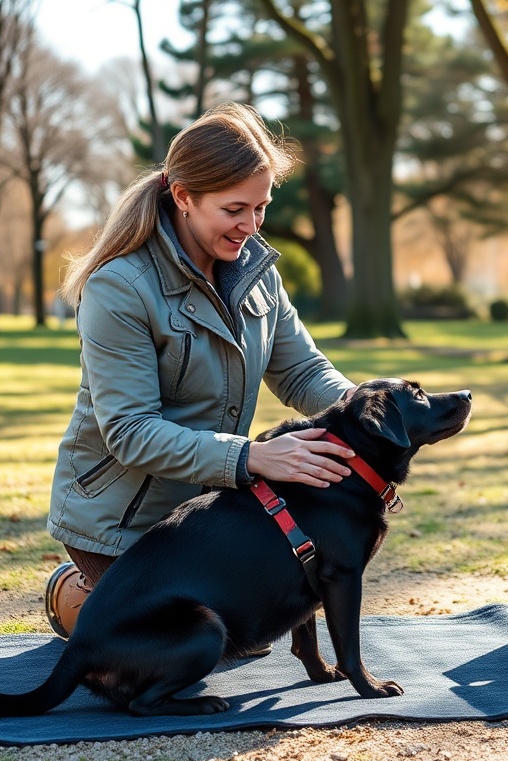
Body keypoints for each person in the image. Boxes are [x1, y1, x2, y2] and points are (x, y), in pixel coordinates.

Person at [44, 102, 357, 640]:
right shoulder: (118, 288)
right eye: (235, 209)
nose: (251, 226)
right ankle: (75, 595)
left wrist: (367, 417)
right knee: (203, 645)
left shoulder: (258, 274)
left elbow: (303, 372)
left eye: (261, 207)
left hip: (207, 518)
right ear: (183, 196)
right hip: (120, 524)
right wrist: (253, 457)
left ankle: (120, 610)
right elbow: (130, 432)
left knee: (247, 638)